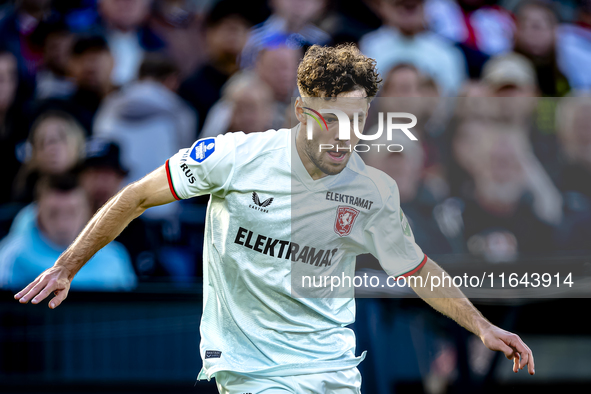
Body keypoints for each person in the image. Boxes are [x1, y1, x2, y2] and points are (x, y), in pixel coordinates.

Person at [13, 44, 534, 393]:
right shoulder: (233, 157)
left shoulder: (373, 191)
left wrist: (482, 326)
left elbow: (416, 268)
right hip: (253, 369)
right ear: (303, 114)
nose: (343, 136)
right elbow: (136, 197)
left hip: (333, 369)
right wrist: (67, 265)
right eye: (330, 120)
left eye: (356, 121)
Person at [0, 173, 136, 291]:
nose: (62, 225)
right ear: (38, 213)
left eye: (72, 213)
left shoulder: (114, 258)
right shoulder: (12, 255)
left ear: (88, 213)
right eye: (53, 214)